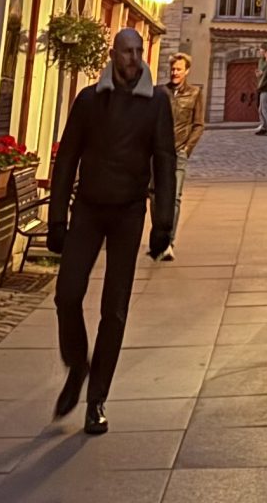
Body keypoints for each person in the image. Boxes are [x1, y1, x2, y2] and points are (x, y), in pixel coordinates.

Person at [47, 27, 174, 435]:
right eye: (126, 51)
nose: (134, 58)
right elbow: (67, 157)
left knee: (113, 310)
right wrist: (57, 218)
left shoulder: (156, 103)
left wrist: (163, 224)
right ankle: (78, 364)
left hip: (128, 212)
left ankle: (96, 398)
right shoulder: (89, 100)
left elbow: (165, 163)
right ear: (112, 54)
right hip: (88, 208)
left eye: (139, 51)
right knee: (67, 294)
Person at [156, 51, 205, 256]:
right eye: (173, 69)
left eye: (179, 69)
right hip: (158, 152)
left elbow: (199, 124)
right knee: (156, 197)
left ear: (187, 71)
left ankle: (169, 242)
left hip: (178, 151)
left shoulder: (194, 94)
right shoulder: (159, 92)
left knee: (174, 197)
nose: (175, 73)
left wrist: (187, 148)